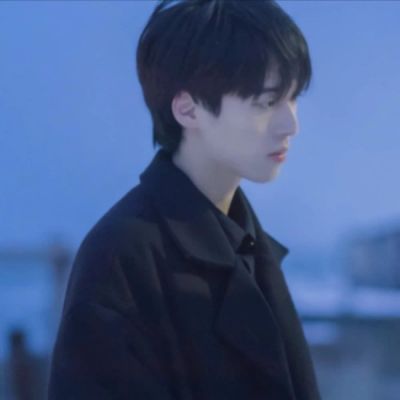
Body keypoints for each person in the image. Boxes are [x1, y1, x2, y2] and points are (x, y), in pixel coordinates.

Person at [47, 1, 321, 399]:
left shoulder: (249, 244)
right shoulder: (121, 257)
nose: (290, 124)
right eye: (266, 102)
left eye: (293, 98)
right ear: (188, 108)